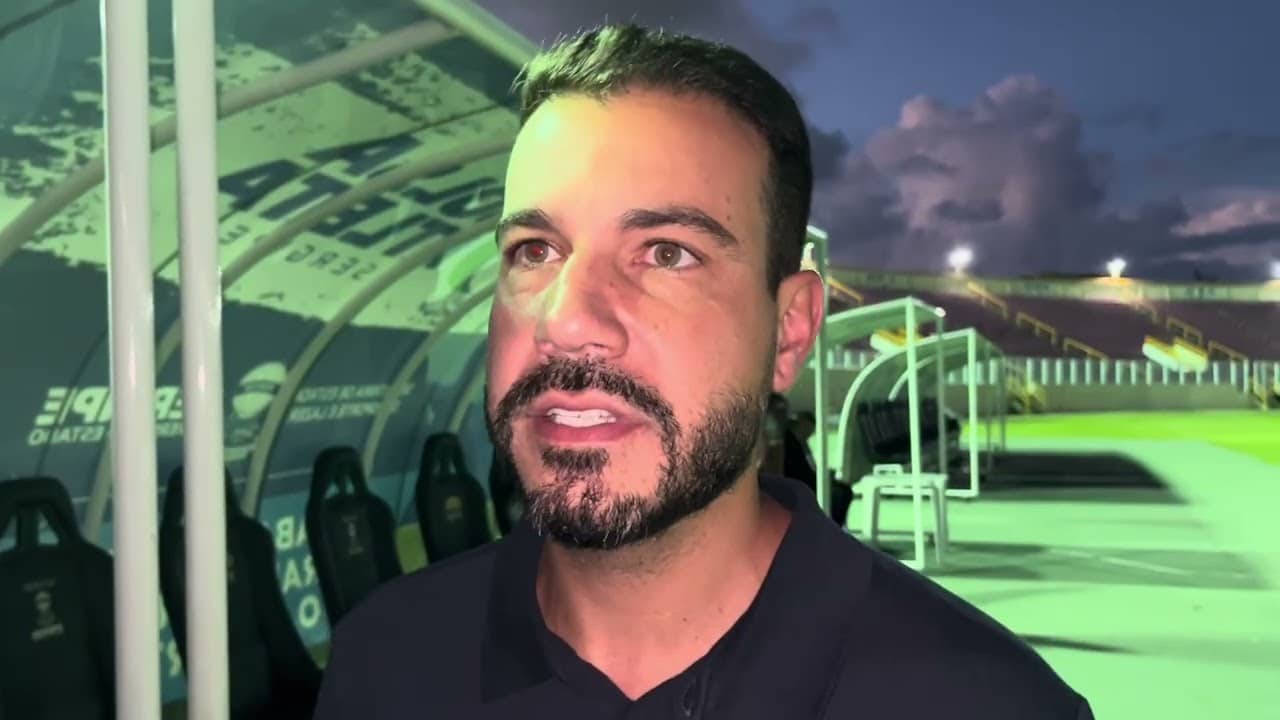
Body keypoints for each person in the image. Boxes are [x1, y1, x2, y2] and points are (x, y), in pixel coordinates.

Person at [313, 23, 1093, 719]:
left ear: (789, 331)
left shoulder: (987, 703)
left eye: (666, 254)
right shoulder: (386, 662)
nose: (564, 320)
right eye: (535, 250)